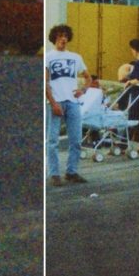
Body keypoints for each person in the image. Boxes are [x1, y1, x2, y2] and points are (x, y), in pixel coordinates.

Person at [46, 24, 89, 187]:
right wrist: (52, 102)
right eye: (59, 36)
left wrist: (83, 90)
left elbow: (88, 77)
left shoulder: (76, 57)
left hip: (72, 102)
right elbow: (45, 82)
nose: (62, 39)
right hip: (56, 102)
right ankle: (54, 173)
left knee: (76, 139)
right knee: (52, 140)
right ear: (54, 38)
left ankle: (71, 171)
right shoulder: (48, 57)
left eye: (65, 36)